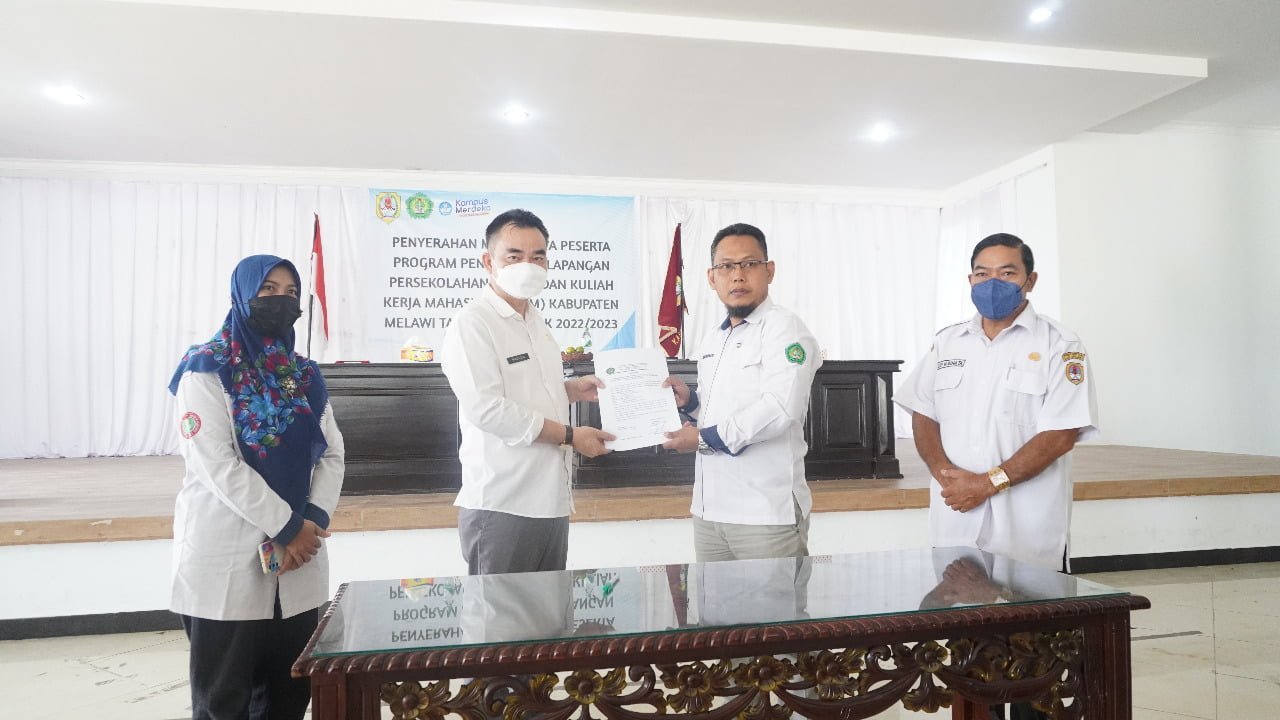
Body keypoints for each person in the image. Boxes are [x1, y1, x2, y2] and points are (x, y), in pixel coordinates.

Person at [168, 254, 345, 720]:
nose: (281, 300)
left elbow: (332, 453)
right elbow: (216, 463)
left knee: (289, 697)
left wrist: (312, 521)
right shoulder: (206, 369)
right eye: (268, 289)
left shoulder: (302, 375)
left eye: (291, 292)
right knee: (223, 700)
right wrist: (288, 527)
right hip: (228, 556)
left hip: (300, 557)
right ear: (243, 294)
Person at [895, 232, 1098, 574]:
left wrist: (986, 484)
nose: (992, 283)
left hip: (1025, 529)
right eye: (982, 273)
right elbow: (923, 412)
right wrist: (948, 478)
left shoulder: (1060, 345)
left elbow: (1061, 435)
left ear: (1030, 281)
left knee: (1033, 608)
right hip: (956, 519)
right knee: (958, 605)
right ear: (970, 280)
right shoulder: (948, 342)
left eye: (1007, 273)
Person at [441, 208, 614, 576]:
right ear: (488, 262)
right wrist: (571, 436)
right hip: (502, 503)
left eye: (538, 257)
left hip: (551, 501)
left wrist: (570, 390)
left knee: (548, 610)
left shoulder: (536, 321)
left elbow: (527, 391)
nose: (528, 266)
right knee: (501, 613)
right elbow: (486, 408)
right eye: (514, 256)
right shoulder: (473, 322)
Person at [662, 223, 821, 561]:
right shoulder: (714, 338)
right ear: (711, 277)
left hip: (766, 513)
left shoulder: (785, 329)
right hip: (709, 511)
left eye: (749, 264)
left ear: (769, 271)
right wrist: (690, 401)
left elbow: (780, 409)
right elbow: (719, 406)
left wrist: (702, 439)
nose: (737, 275)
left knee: (775, 599)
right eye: (726, 266)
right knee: (712, 599)